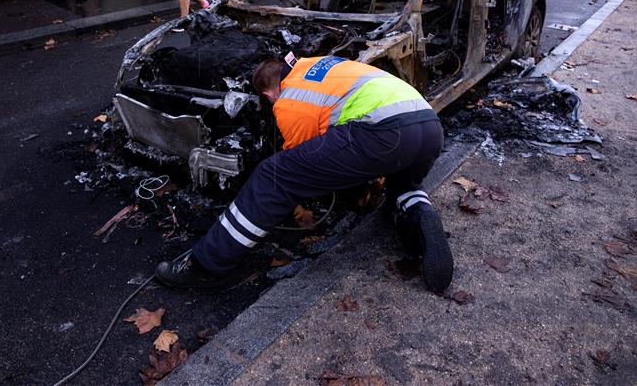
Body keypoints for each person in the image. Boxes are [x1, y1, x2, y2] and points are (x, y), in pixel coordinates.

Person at [155, 56, 455, 292]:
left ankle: (206, 265)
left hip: (382, 132)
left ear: (269, 93)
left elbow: (300, 167)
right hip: (428, 126)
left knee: (273, 176)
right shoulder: (317, 64)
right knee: (402, 185)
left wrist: (296, 207)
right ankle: (420, 217)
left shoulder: (288, 102)